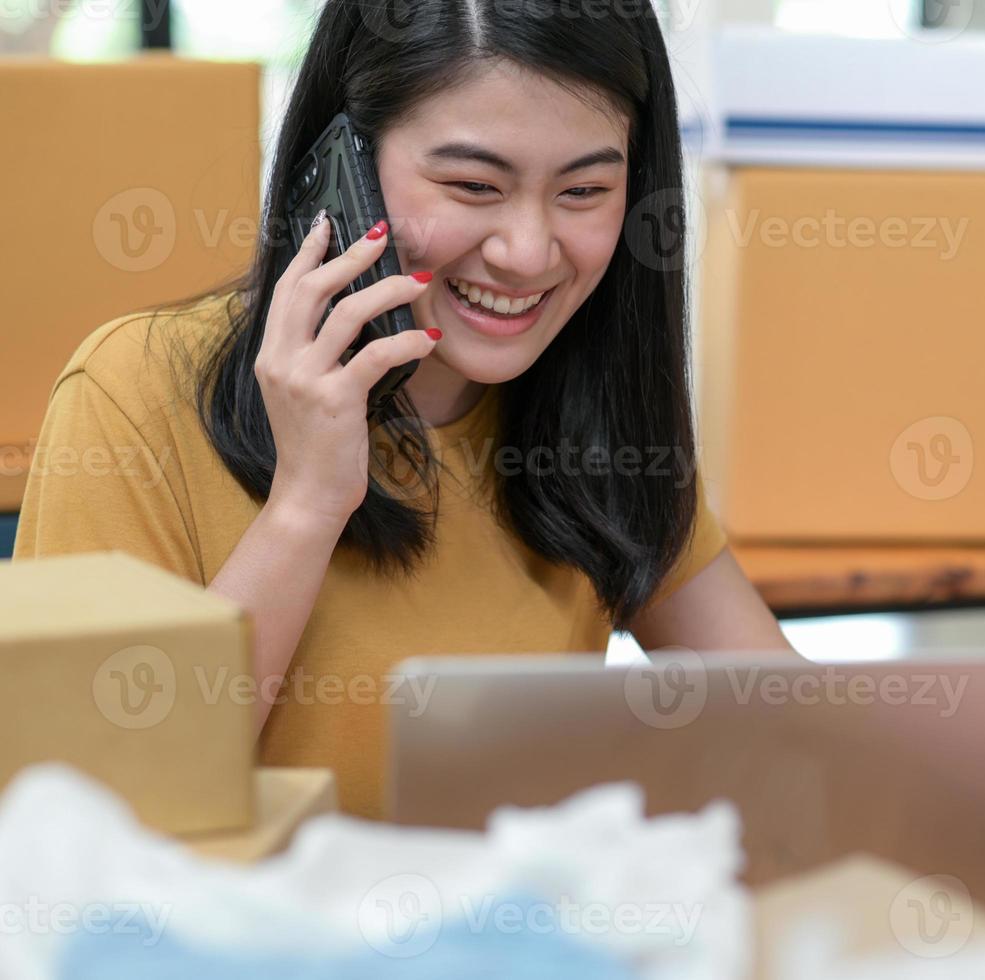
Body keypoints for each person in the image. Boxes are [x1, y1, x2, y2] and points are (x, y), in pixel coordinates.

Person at [14, 0, 793, 819]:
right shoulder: (132, 392)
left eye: (585, 190)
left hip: (505, 940)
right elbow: (90, 817)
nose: (526, 251)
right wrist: (305, 506)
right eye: (472, 185)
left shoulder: (593, 415)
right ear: (341, 165)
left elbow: (804, 727)